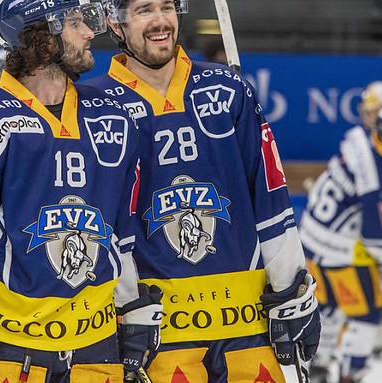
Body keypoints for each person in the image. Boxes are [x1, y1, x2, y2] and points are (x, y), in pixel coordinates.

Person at [0, 1, 162, 382]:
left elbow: (121, 229)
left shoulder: (111, 117)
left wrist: (133, 304)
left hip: (96, 348)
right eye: (76, 23)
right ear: (40, 35)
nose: (88, 33)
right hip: (9, 351)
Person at [85, 0, 321, 381]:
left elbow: (272, 202)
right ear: (116, 23)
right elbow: (105, 226)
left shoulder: (228, 90)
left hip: (247, 324)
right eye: (145, 10)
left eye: (166, 7)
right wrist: (126, 305)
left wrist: (292, 290)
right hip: (160, 332)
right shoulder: (94, 106)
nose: (161, 20)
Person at [301, 103, 382, 383]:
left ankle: (318, 367)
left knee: (327, 309)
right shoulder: (379, 176)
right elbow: (377, 235)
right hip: (340, 250)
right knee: (365, 312)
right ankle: (350, 373)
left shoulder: (358, 140)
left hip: (309, 240)